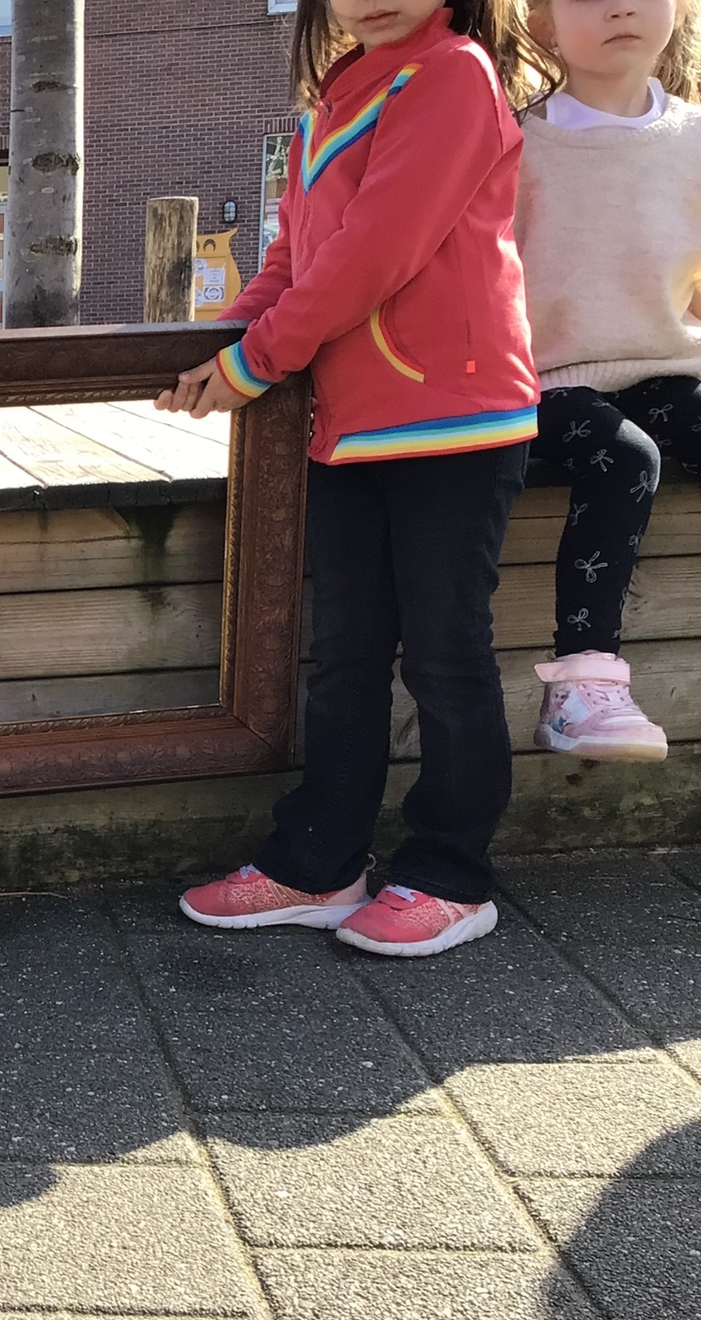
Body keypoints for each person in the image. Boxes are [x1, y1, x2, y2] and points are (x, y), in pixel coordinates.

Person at [160, 0, 554, 958]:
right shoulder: (330, 102)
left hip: (458, 419)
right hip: (348, 428)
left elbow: (376, 250)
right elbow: (293, 260)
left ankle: (452, 877)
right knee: (344, 656)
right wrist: (215, 348)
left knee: (445, 655)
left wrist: (257, 362)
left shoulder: (453, 72)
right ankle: (319, 865)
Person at [516, 0, 701, 762]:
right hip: (549, 382)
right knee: (625, 457)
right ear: (542, 23)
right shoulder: (515, 143)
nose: (619, 6)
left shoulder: (694, 139)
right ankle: (581, 686)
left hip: (667, 367)